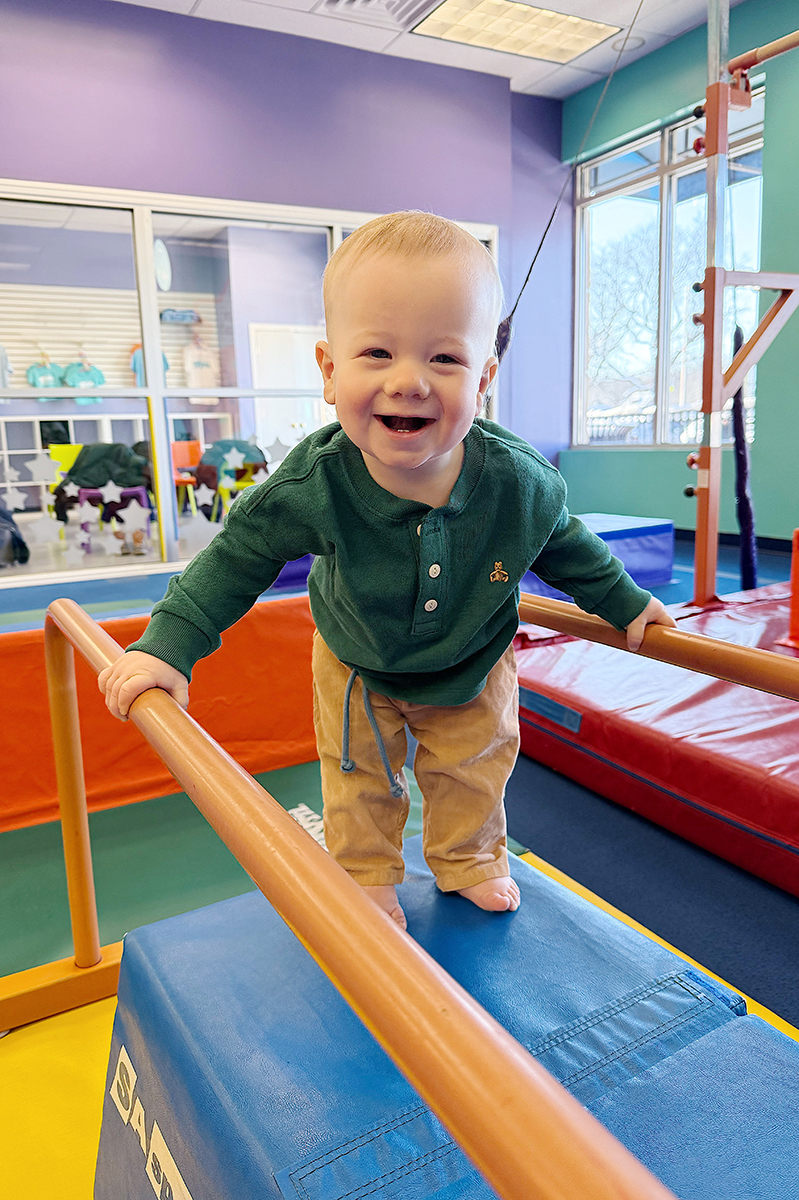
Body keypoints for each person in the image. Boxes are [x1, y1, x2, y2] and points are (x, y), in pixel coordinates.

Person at [99, 211, 675, 930]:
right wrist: (168, 643)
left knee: (474, 769)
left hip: (472, 658)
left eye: (444, 359)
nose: (409, 382)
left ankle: (467, 861)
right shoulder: (313, 482)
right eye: (376, 352)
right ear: (329, 370)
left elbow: (560, 543)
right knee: (357, 779)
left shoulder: (516, 481)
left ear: (484, 376)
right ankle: (366, 873)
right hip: (358, 664)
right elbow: (237, 557)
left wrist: (624, 601)